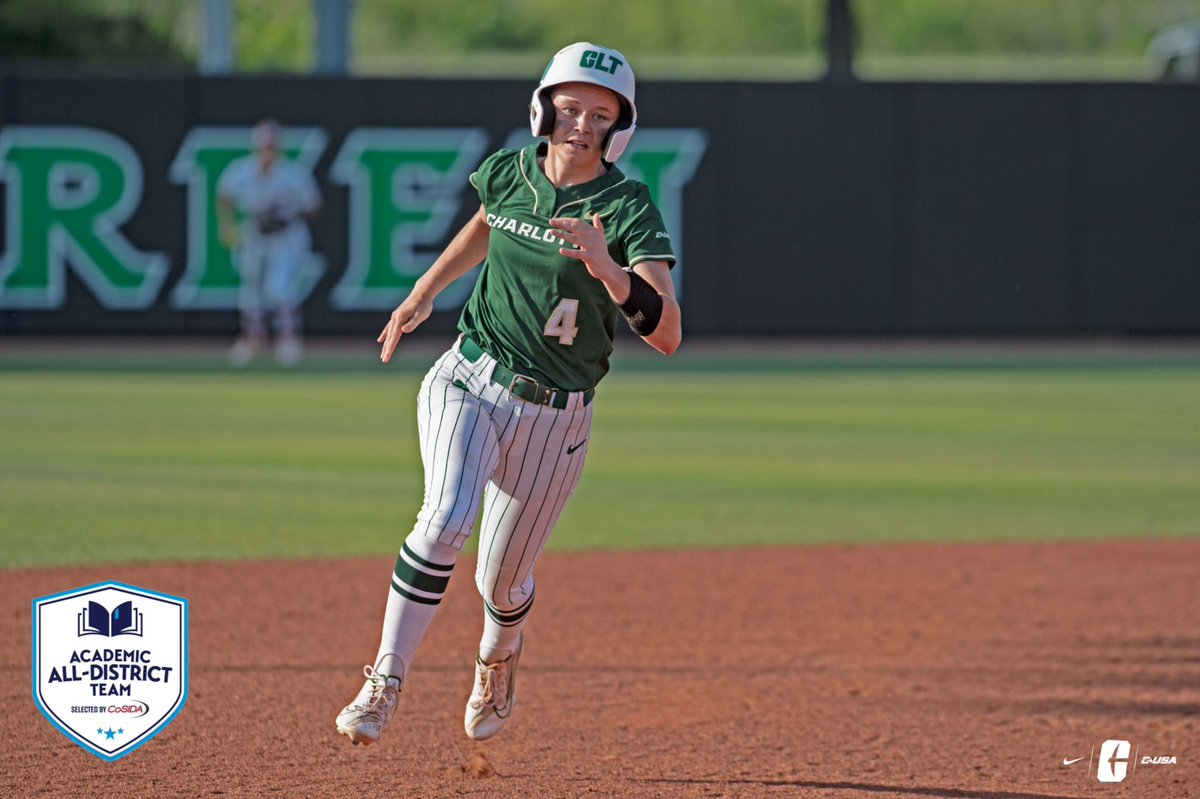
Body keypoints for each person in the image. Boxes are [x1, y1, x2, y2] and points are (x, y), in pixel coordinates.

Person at [335, 41, 681, 746]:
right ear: (544, 108)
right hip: (470, 374)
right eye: (570, 107)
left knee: (504, 582)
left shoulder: (627, 206)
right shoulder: (510, 170)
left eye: (600, 113)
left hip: (558, 416)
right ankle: (384, 680)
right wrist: (422, 293)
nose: (581, 124)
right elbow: (487, 223)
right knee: (443, 518)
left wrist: (609, 268)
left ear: (621, 127)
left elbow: (668, 331)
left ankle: (496, 656)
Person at [218, 119, 321, 367]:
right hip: (255, 234)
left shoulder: (292, 174)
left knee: (280, 290)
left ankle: (288, 340)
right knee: (250, 292)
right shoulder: (242, 171)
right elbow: (224, 197)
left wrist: (286, 215)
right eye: (265, 146)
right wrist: (228, 226)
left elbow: (314, 206)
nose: (268, 151)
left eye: (272, 146)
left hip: (285, 237)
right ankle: (252, 339)